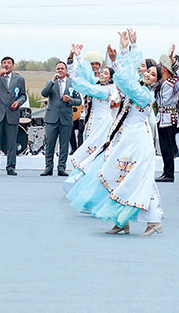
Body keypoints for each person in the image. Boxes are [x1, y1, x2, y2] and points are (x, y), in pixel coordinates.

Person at [67, 29, 162, 236]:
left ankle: (153, 221)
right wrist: (126, 48)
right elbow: (128, 77)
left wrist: (118, 58)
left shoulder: (144, 95)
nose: (147, 74)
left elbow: (126, 81)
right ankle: (122, 221)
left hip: (137, 141)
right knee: (119, 176)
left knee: (136, 178)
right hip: (123, 137)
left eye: (152, 74)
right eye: (147, 71)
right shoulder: (135, 87)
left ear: (156, 82)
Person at [61, 45, 118, 196]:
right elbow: (85, 75)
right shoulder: (98, 83)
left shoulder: (107, 90)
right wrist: (78, 56)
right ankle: (84, 183)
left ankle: (93, 182)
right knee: (89, 150)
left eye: (105, 73)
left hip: (102, 123)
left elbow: (87, 87)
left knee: (95, 152)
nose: (101, 74)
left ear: (110, 77)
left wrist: (71, 76)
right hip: (92, 121)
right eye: (102, 72)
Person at [0, 56, 27, 176]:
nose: (6, 65)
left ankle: (11, 167)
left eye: (9, 63)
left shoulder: (19, 79)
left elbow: (23, 95)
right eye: (4, 63)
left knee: (11, 142)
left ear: (13, 66)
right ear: (1, 65)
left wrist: (18, 102)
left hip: (11, 114)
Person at [41, 61, 82, 176]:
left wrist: (70, 100)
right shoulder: (50, 83)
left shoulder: (71, 84)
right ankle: (48, 167)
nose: (60, 70)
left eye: (62, 68)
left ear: (66, 71)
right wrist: (52, 81)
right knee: (49, 144)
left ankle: (61, 167)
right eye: (58, 68)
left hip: (66, 118)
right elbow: (44, 93)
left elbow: (79, 101)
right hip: (52, 118)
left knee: (64, 145)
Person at [153, 46, 179, 182]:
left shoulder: (174, 82)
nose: (160, 68)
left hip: (169, 117)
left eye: (161, 66)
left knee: (168, 146)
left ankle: (169, 173)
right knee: (163, 145)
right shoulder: (162, 83)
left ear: (165, 68)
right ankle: (166, 171)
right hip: (161, 117)